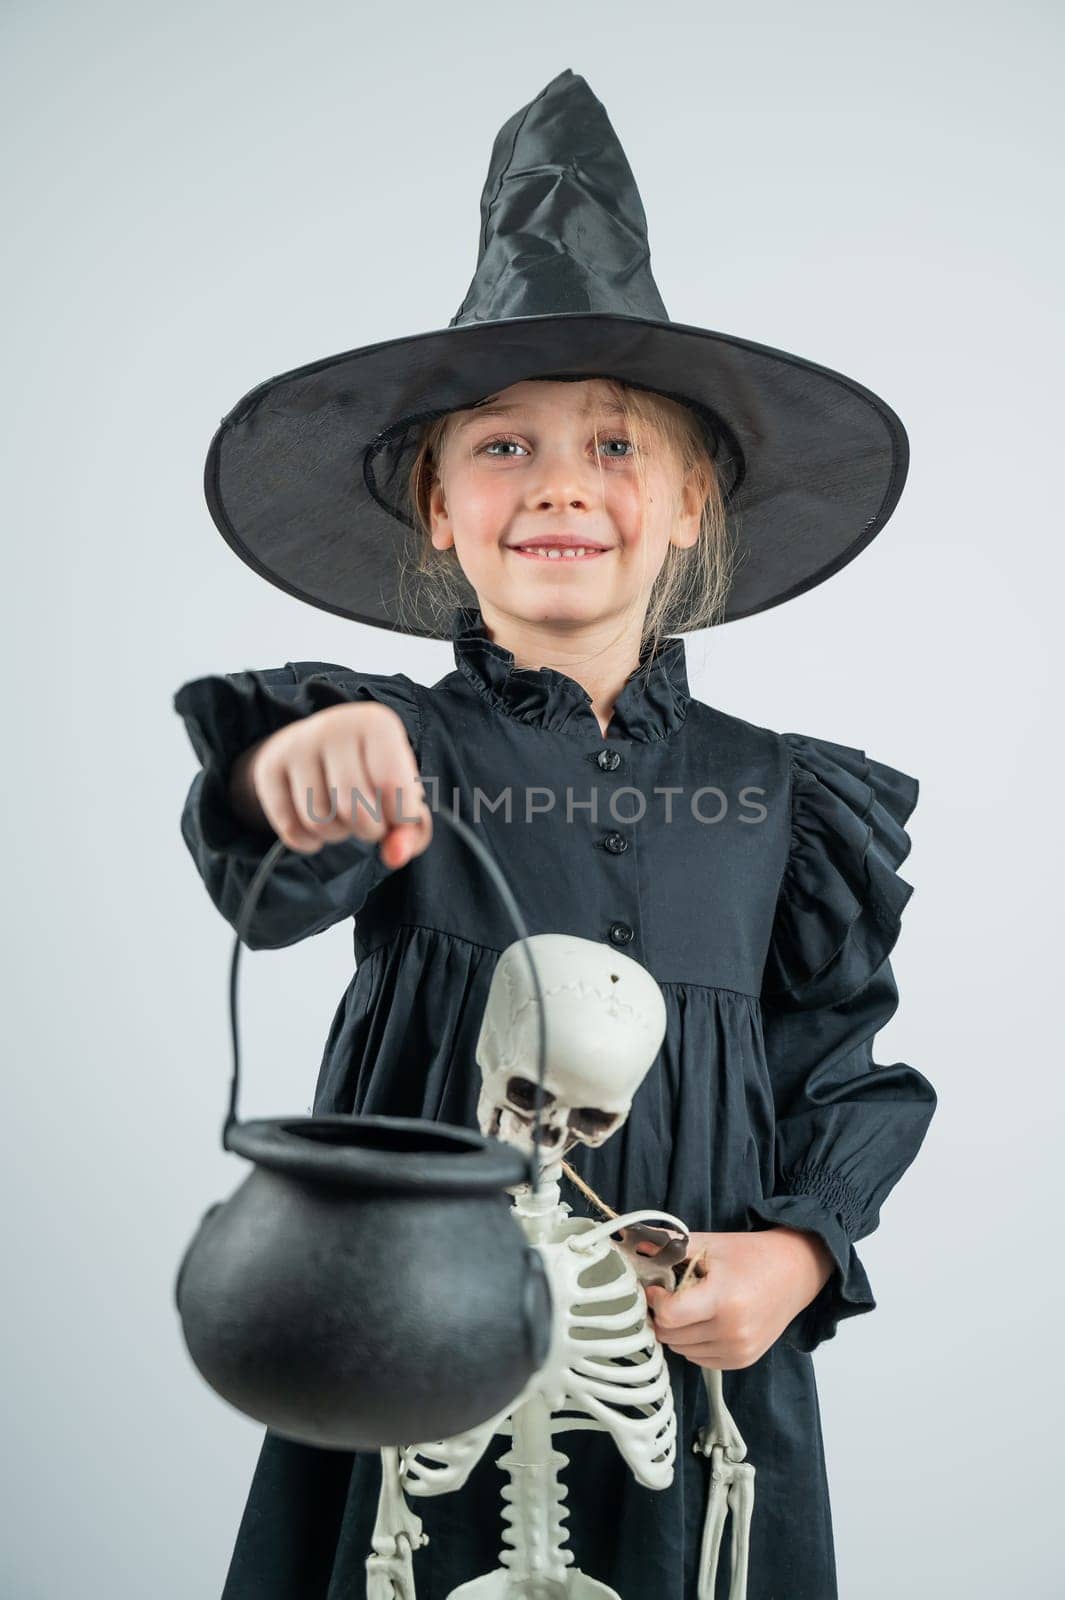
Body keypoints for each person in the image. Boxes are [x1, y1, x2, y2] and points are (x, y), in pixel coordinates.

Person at [173, 70, 937, 1600]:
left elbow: (833, 1076)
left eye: (611, 446)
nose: (558, 484)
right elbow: (273, 873)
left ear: (686, 501)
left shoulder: (784, 795)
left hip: (698, 1379)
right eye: (502, 449)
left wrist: (792, 1257)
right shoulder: (390, 740)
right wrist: (301, 769)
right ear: (439, 512)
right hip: (408, 1337)